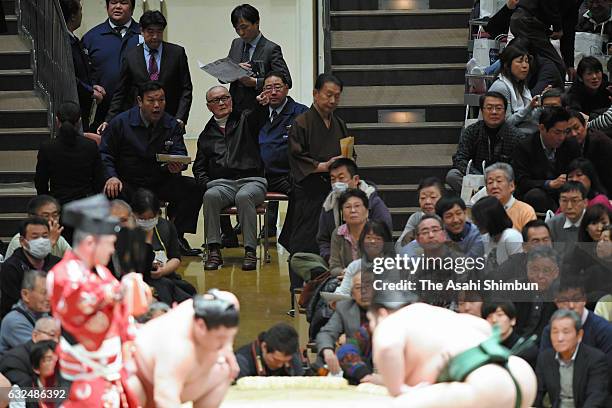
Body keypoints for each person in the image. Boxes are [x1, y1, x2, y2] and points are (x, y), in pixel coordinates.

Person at [47, 194, 151, 407]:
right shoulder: (62, 273)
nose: (113, 249)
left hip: (112, 369)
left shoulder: (102, 272)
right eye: (110, 243)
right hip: (81, 375)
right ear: (90, 242)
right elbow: (78, 307)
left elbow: (123, 314)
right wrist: (119, 293)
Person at [368, 293, 537, 407]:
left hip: (485, 385)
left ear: (381, 313)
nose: (371, 327)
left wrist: (399, 391)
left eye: (370, 321)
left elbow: (387, 346)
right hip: (521, 375)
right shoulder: (438, 314)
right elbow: (485, 328)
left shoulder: (392, 321)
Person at [99, 81, 203, 256]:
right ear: (140, 101)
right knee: (111, 192)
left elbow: (180, 153)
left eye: (161, 100)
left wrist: (176, 166)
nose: (157, 106)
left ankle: (176, 236)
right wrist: (111, 176)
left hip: (160, 180)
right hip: (129, 182)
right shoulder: (121, 123)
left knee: (194, 187)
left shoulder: (172, 124)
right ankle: (121, 239)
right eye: (151, 101)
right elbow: (105, 154)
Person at [193, 85, 267, 271]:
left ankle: (250, 251)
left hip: (252, 180)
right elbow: (199, 168)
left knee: (244, 196)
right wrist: (208, 183)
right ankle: (214, 250)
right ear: (209, 106)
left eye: (225, 98)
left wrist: (262, 104)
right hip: (223, 184)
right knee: (210, 195)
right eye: (216, 100)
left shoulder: (246, 119)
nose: (222, 102)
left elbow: (260, 115)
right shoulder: (206, 134)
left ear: (231, 100)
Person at [286, 73, 347, 290]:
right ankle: (299, 288)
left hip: (335, 190)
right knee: (304, 239)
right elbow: (296, 156)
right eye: (328, 95)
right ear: (315, 94)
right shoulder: (302, 122)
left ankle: (330, 284)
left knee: (333, 238)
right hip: (309, 190)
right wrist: (323, 166)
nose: (332, 101)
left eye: (337, 96)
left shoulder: (338, 123)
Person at [131, 290, 240, 408]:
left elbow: (230, 299)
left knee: (224, 369)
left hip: (183, 380)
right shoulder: (177, 345)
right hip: (141, 380)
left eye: (229, 337)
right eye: (220, 338)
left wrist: (228, 349)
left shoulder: (218, 306)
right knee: (133, 388)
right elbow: (165, 398)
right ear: (201, 326)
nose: (223, 344)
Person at [99, 11, 193, 133]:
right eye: (150, 32)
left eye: (159, 32)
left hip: (170, 121)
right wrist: (109, 120)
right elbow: (121, 91)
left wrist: (180, 118)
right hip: (139, 121)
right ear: (142, 31)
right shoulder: (130, 56)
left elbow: (186, 89)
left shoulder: (177, 53)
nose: (155, 36)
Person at [256, 71, 308, 238]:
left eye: (277, 87)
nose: (272, 92)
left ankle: (289, 237)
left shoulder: (300, 113)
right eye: (268, 88)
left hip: (286, 175)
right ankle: (235, 238)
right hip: (259, 175)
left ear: (286, 88)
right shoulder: (257, 113)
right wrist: (256, 108)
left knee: (301, 192)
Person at [447, 91, 524, 193]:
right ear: (482, 111)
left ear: (505, 111)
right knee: (453, 175)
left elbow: (519, 168)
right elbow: (460, 158)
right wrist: (480, 177)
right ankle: (482, 195)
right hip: (477, 179)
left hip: (503, 182)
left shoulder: (516, 136)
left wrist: (497, 179)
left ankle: (492, 197)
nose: (494, 112)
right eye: (489, 108)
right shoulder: (471, 131)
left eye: (498, 108)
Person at [318, 158, 392, 261]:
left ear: (356, 180)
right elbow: (323, 240)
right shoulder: (329, 204)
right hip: (337, 262)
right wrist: (331, 258)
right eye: (333, 179)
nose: (336, 183)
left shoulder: (373, 203)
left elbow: (385, 236)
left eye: (341, 178)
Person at [82, 0, 140, 129]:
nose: (118, 6)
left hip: (137, 111)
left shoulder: (143, 35)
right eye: (114, 2)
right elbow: (82, 72)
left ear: (132, 7)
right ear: (107, 6)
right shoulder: (91, 37)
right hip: (102, 111)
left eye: (124, 2)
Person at [131, 188, 195, 304]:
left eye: (150, 218)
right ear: (133, 214)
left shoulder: (166, 226)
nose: (146, 222)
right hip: (140, 280)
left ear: (157, 214)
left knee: (189, 291)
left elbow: (175, 258)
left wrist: (163, 270)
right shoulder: (127, 231)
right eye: (142, 219)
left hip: (165, 276)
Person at [540, 279, 612, 381]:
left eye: (576, 299)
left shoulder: (605, 330)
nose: (571, 306)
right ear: (556, 303)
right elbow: (545, 371)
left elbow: (606, 374)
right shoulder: (549, 331)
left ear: (584, 299)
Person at [35, 101, 105, 206]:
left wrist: (49, 202)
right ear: (79, 122)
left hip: (58, 203)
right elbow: (99, 179)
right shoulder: (90, 146)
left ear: (57, 121)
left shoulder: (47, 147)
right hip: (85, 205)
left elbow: (40, 182)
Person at [512, 106, 581, 212]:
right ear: (542, 128)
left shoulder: (571, 144)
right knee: (535, 195)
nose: (562, 137)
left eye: (565, 132)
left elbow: (578, 169)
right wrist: (548, 184)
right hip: (537, 194)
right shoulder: (524, 147)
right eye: (557, 132)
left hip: (564, 192)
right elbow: (522, 181)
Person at [535, 310, 609, 407]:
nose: (559, 338)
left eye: (566, 332)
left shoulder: (596, 359)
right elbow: (537, 393)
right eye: (555, 332)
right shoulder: (545, 358)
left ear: (579, 335)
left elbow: (595, 397)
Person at [226, 4, 292, 114]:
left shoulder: (271, 49)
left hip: (260, 108)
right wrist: (234, 69)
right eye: (237, 29)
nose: (241, 33)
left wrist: (256, 82)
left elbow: (286, 80)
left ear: (257, 23)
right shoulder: (236, 44)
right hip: (235, 108)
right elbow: (223, 78)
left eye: (244, 27)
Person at [0, 218, 60, 319]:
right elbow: (11, 306)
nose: (41, 241)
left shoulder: (58, 264)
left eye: (45, 236)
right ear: (23, 242)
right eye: (35, 237)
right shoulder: (11, 268)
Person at [60, 0, 105, 130]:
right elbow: (67, 75)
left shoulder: (74, 40)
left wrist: (93, 86)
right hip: (72, 105)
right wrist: (90, 90)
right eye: (80, 10)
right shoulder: (64, 42)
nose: (81, 14)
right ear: (73, 16)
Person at [316, 273, 371, 378]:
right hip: (354, 361)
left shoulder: (390, 308)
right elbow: (327, 333)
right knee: (337, 352)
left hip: (386, 361)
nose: (364, 291)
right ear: (353, 294)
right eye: (359, 288)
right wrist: (327, 350)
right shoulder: (345, 307)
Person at [510, 0, 580, 81]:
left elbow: (568, 32)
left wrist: (569, 64)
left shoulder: (575, 4)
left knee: (534, 64)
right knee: (556, 66)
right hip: (528, 20)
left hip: (529, 21)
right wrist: (557, 27)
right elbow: (549, 3)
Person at [401, 195, 484, 259]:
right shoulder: (437, 232)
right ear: (441, 219)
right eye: (449, 216)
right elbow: (407, 250)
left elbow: (472, 264)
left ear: (465, 213)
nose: (455, 220)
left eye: (459, 213)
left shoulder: (476, 234)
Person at [488, 45, 539, 136]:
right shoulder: (501, 87)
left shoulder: (522, 86)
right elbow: (505, 124)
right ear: (507, 64)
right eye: (520, 61)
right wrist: (528, 108)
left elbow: (532, 117)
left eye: (526, 61)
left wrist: (544, 101)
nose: (525, 66)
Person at [335, 220, 394, 296]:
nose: (372, 241)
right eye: (368, 237)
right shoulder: (354, 266)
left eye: (378, 238)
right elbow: (343, 292)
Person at [0, 270, 50, 356]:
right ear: (25, 295)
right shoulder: (14, 321)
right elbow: (42, 353)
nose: (49, 298)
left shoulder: (43, 315)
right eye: (44, 293)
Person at [5, 195, 71, 259]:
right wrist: (50, 243)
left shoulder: (59, 239)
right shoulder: (21, 240)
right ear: (32, 217)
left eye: (55, 215)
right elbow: (32, 267)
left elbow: (76, 262)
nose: (52, 220)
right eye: (46, 216)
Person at [0, 318, 59, 389]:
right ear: (35, 335)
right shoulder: (14, 361)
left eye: (59, 336)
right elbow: (28, 395)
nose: (57, 340)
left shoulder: (60, 354)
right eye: (52, 335)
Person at [566, 110, 612, 197]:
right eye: (568, 131)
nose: (574, 134)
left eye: (576, 128)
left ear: (585, 125)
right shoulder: (567, 143)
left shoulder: (601, 143)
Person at [235, 323, 304, 378]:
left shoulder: (292, 355)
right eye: (276, 360)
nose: (280, 365)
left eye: (285, 361)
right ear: (264, 347)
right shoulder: (242, 362)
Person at [472, 196, 523, 269]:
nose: (475, 223)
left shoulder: (511, 237)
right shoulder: (487, 237)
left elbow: (519, 269)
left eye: (477, 219)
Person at [482, 301, 538, 368]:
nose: (494, 320)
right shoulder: (483, 348)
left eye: (500, 315)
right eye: (489, 316)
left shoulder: (527, 348)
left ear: (512, 320)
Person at [485, 162, 537, 232]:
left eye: (499, 181)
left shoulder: (525, 211)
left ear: (511, 186)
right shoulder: (482, 211)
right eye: (490, 182)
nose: (494, 186)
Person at [396, 177, 444, 251]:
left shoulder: (449, 218)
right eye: (423, 198)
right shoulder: (416, 218)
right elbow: (399, 247)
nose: (427, 201)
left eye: (433, 197)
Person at [546, 180, 588, 250]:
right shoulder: (552, 224)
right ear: (559, 201)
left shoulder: (594, 222)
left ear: (585, 203)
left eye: (574, 201)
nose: (569, 206)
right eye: (564, 201)